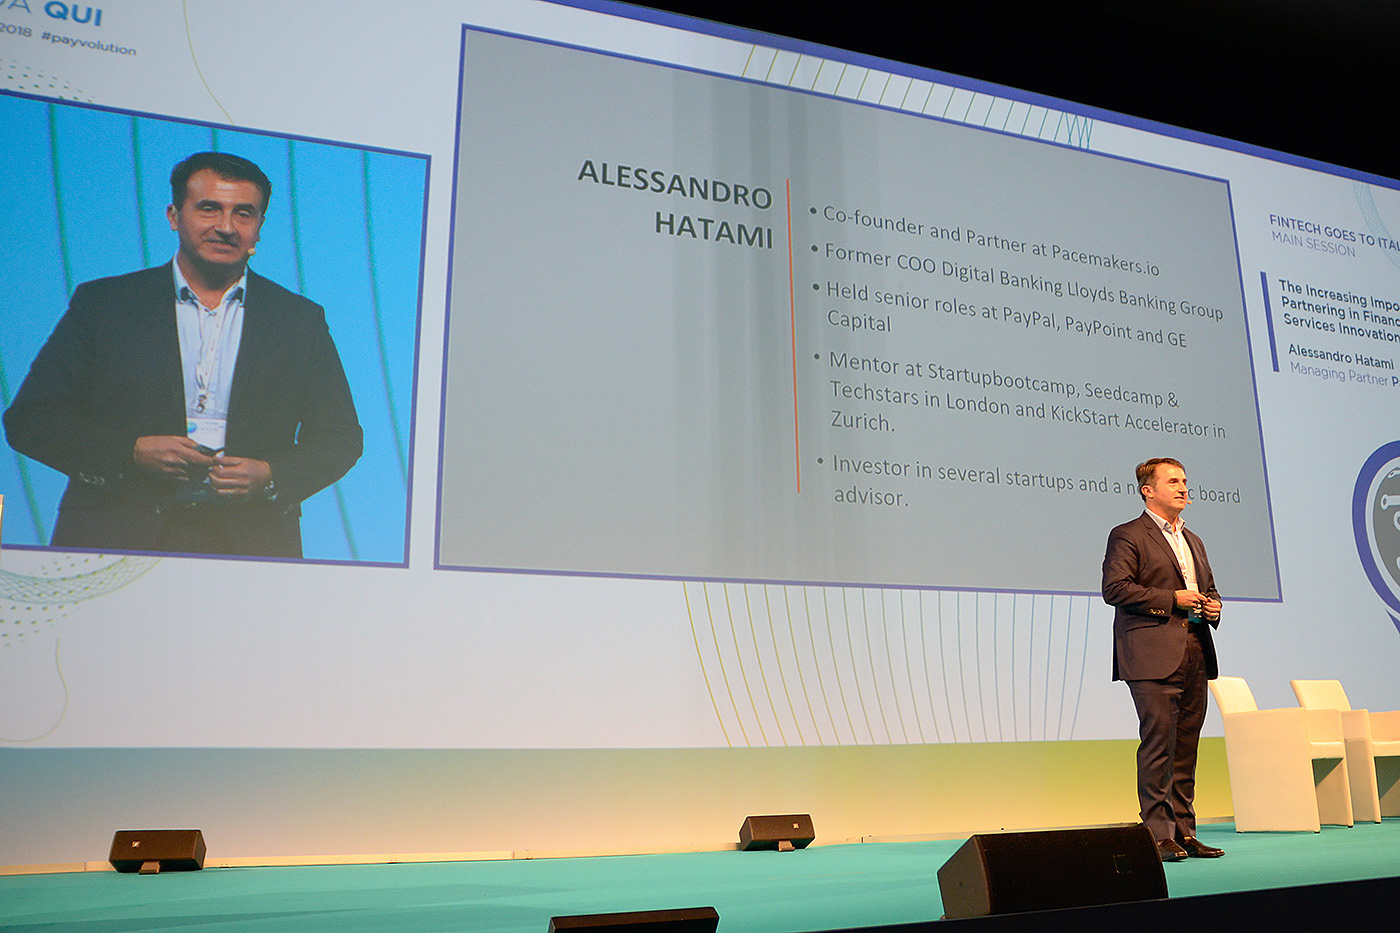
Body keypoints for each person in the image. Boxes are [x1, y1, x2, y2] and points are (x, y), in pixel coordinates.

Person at [3, 151, 362, 558]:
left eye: (244, 213)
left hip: (252, 545)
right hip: (113, 539)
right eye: (209, 208)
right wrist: (131, 453)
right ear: (174, 216)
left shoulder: (299, 320)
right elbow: (31, 420)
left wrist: (269, 474)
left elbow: (340, 438)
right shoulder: (105, 304)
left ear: (259, 227)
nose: (226, 227)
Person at [1102, 457, 1224, 861]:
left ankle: (1185, 832)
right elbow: (1115, 589)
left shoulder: (1194, 540)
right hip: (1151, 654)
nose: (1183, 487)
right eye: (1173, 481)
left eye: (1185, 480)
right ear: (1148, 490)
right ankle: (1158, 834)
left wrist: (1213, 606)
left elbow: (1208, 588)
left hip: (1195, 649)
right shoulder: (1128, 535)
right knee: (1159, 745)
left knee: (1186, 746)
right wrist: (1171, 599)